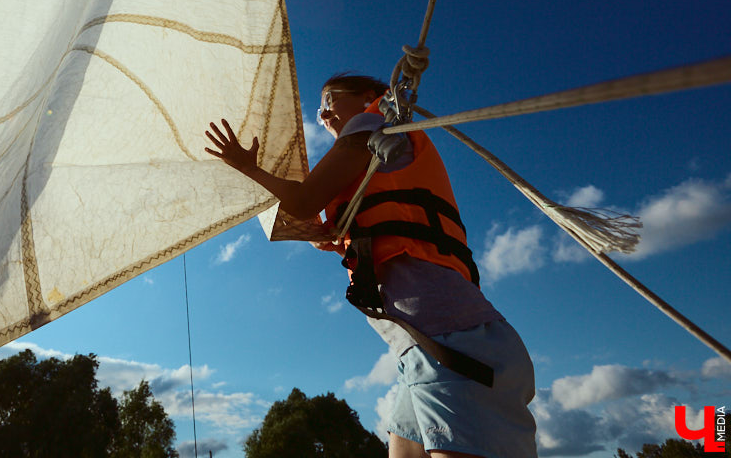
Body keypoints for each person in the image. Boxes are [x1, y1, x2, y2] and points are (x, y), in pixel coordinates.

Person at [205, 73, 537, 458]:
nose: (322, 111)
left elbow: (302, 202)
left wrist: (247, 167)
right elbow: (324, 224)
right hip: (431, 346)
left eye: (330, 98)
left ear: (367, 97)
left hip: (455, 345)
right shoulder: (375, 159)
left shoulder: (374, 123)